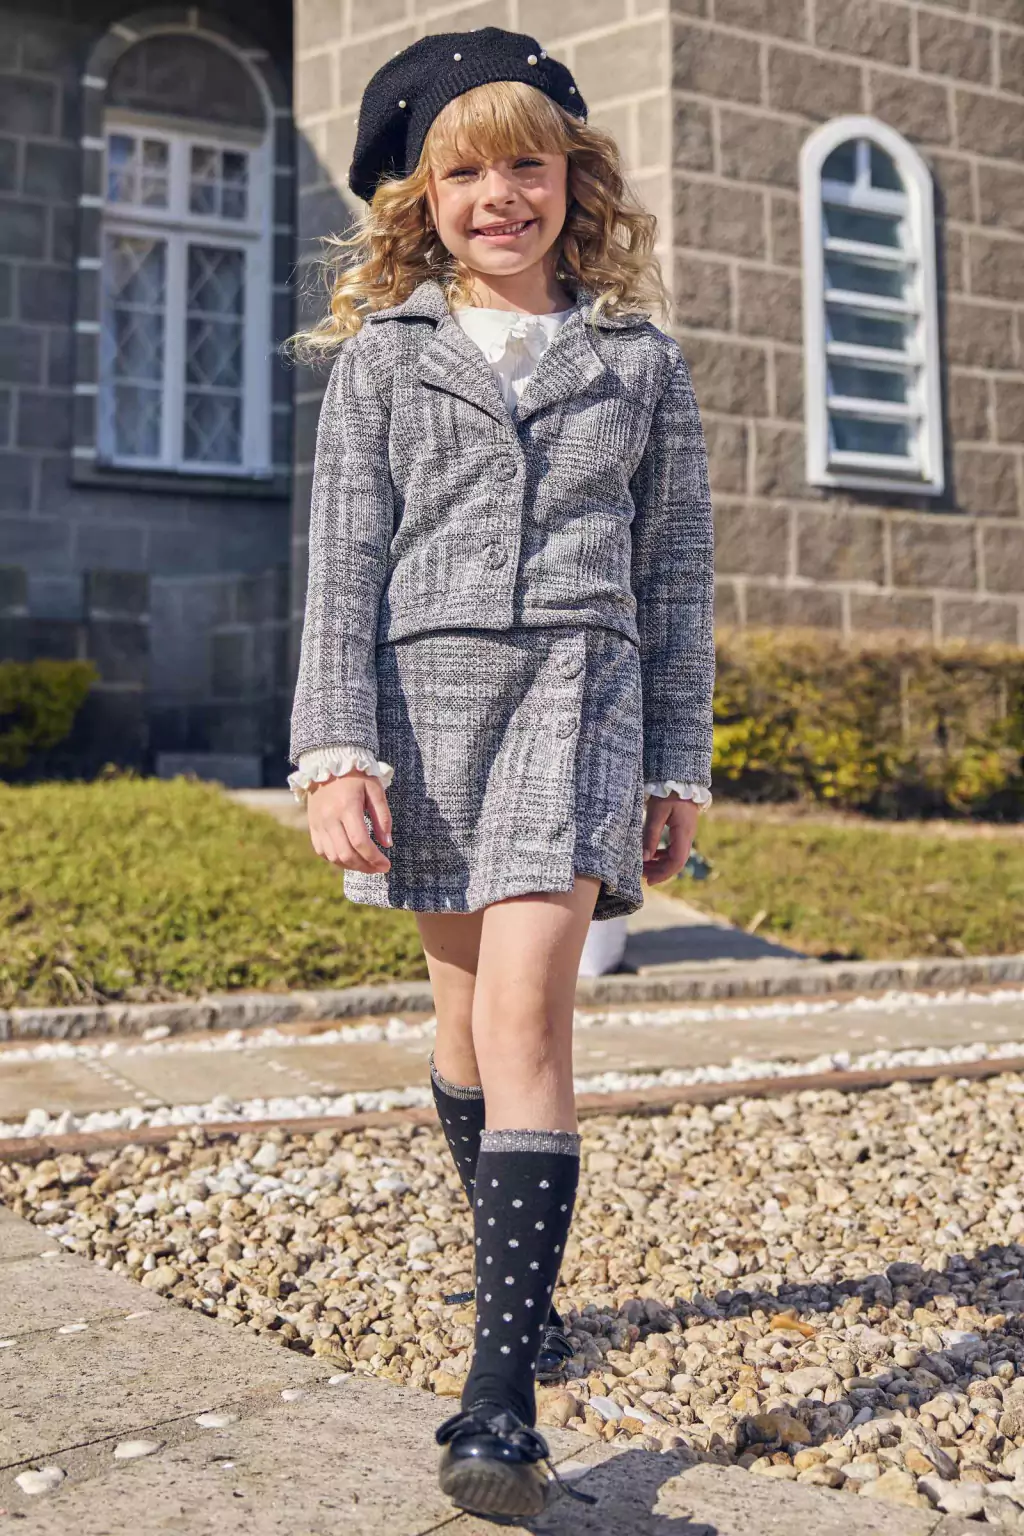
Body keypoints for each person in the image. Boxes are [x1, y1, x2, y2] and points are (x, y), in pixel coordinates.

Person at [287, 25, 714, 1521]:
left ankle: (499, 1403)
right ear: (425, 197)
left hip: (581, 699)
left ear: (572, 177)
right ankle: (518, 1290)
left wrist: (675, 763)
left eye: (526, 164)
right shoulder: (382, 363)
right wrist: (334, 750)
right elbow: (342, 571)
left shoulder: (640, 363)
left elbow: (676, 581)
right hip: (424, 712)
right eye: (465, 173)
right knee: (463, 1018)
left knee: (530, 1010)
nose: (500, 196)